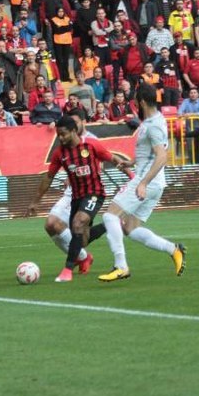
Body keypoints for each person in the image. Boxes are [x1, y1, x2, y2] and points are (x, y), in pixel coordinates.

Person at [89, 84, 187, 282]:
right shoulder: (152, 121)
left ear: (141, 101)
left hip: (146, 181)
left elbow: (162, 157)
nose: (133, 102)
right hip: (154, 183)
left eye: (134, 99)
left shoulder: (154, 125)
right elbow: (150, 152)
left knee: (110, 216)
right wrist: (131, 162)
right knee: (130, 229)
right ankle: (174, 249)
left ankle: (121, 266)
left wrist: (142, 183)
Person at [26, 115, 126, 282]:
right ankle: (112, 224)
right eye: (58, 134)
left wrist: (132, 176)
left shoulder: (91, 144)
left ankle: (67, 270)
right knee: (82, 239)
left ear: (74, 131)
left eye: (63, 134)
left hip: (95, 193)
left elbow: (112, 158)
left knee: (77, 223)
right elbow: (49, 177)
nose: (61, 137)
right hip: (76, 196)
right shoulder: (60, 153)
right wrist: (35, 201)